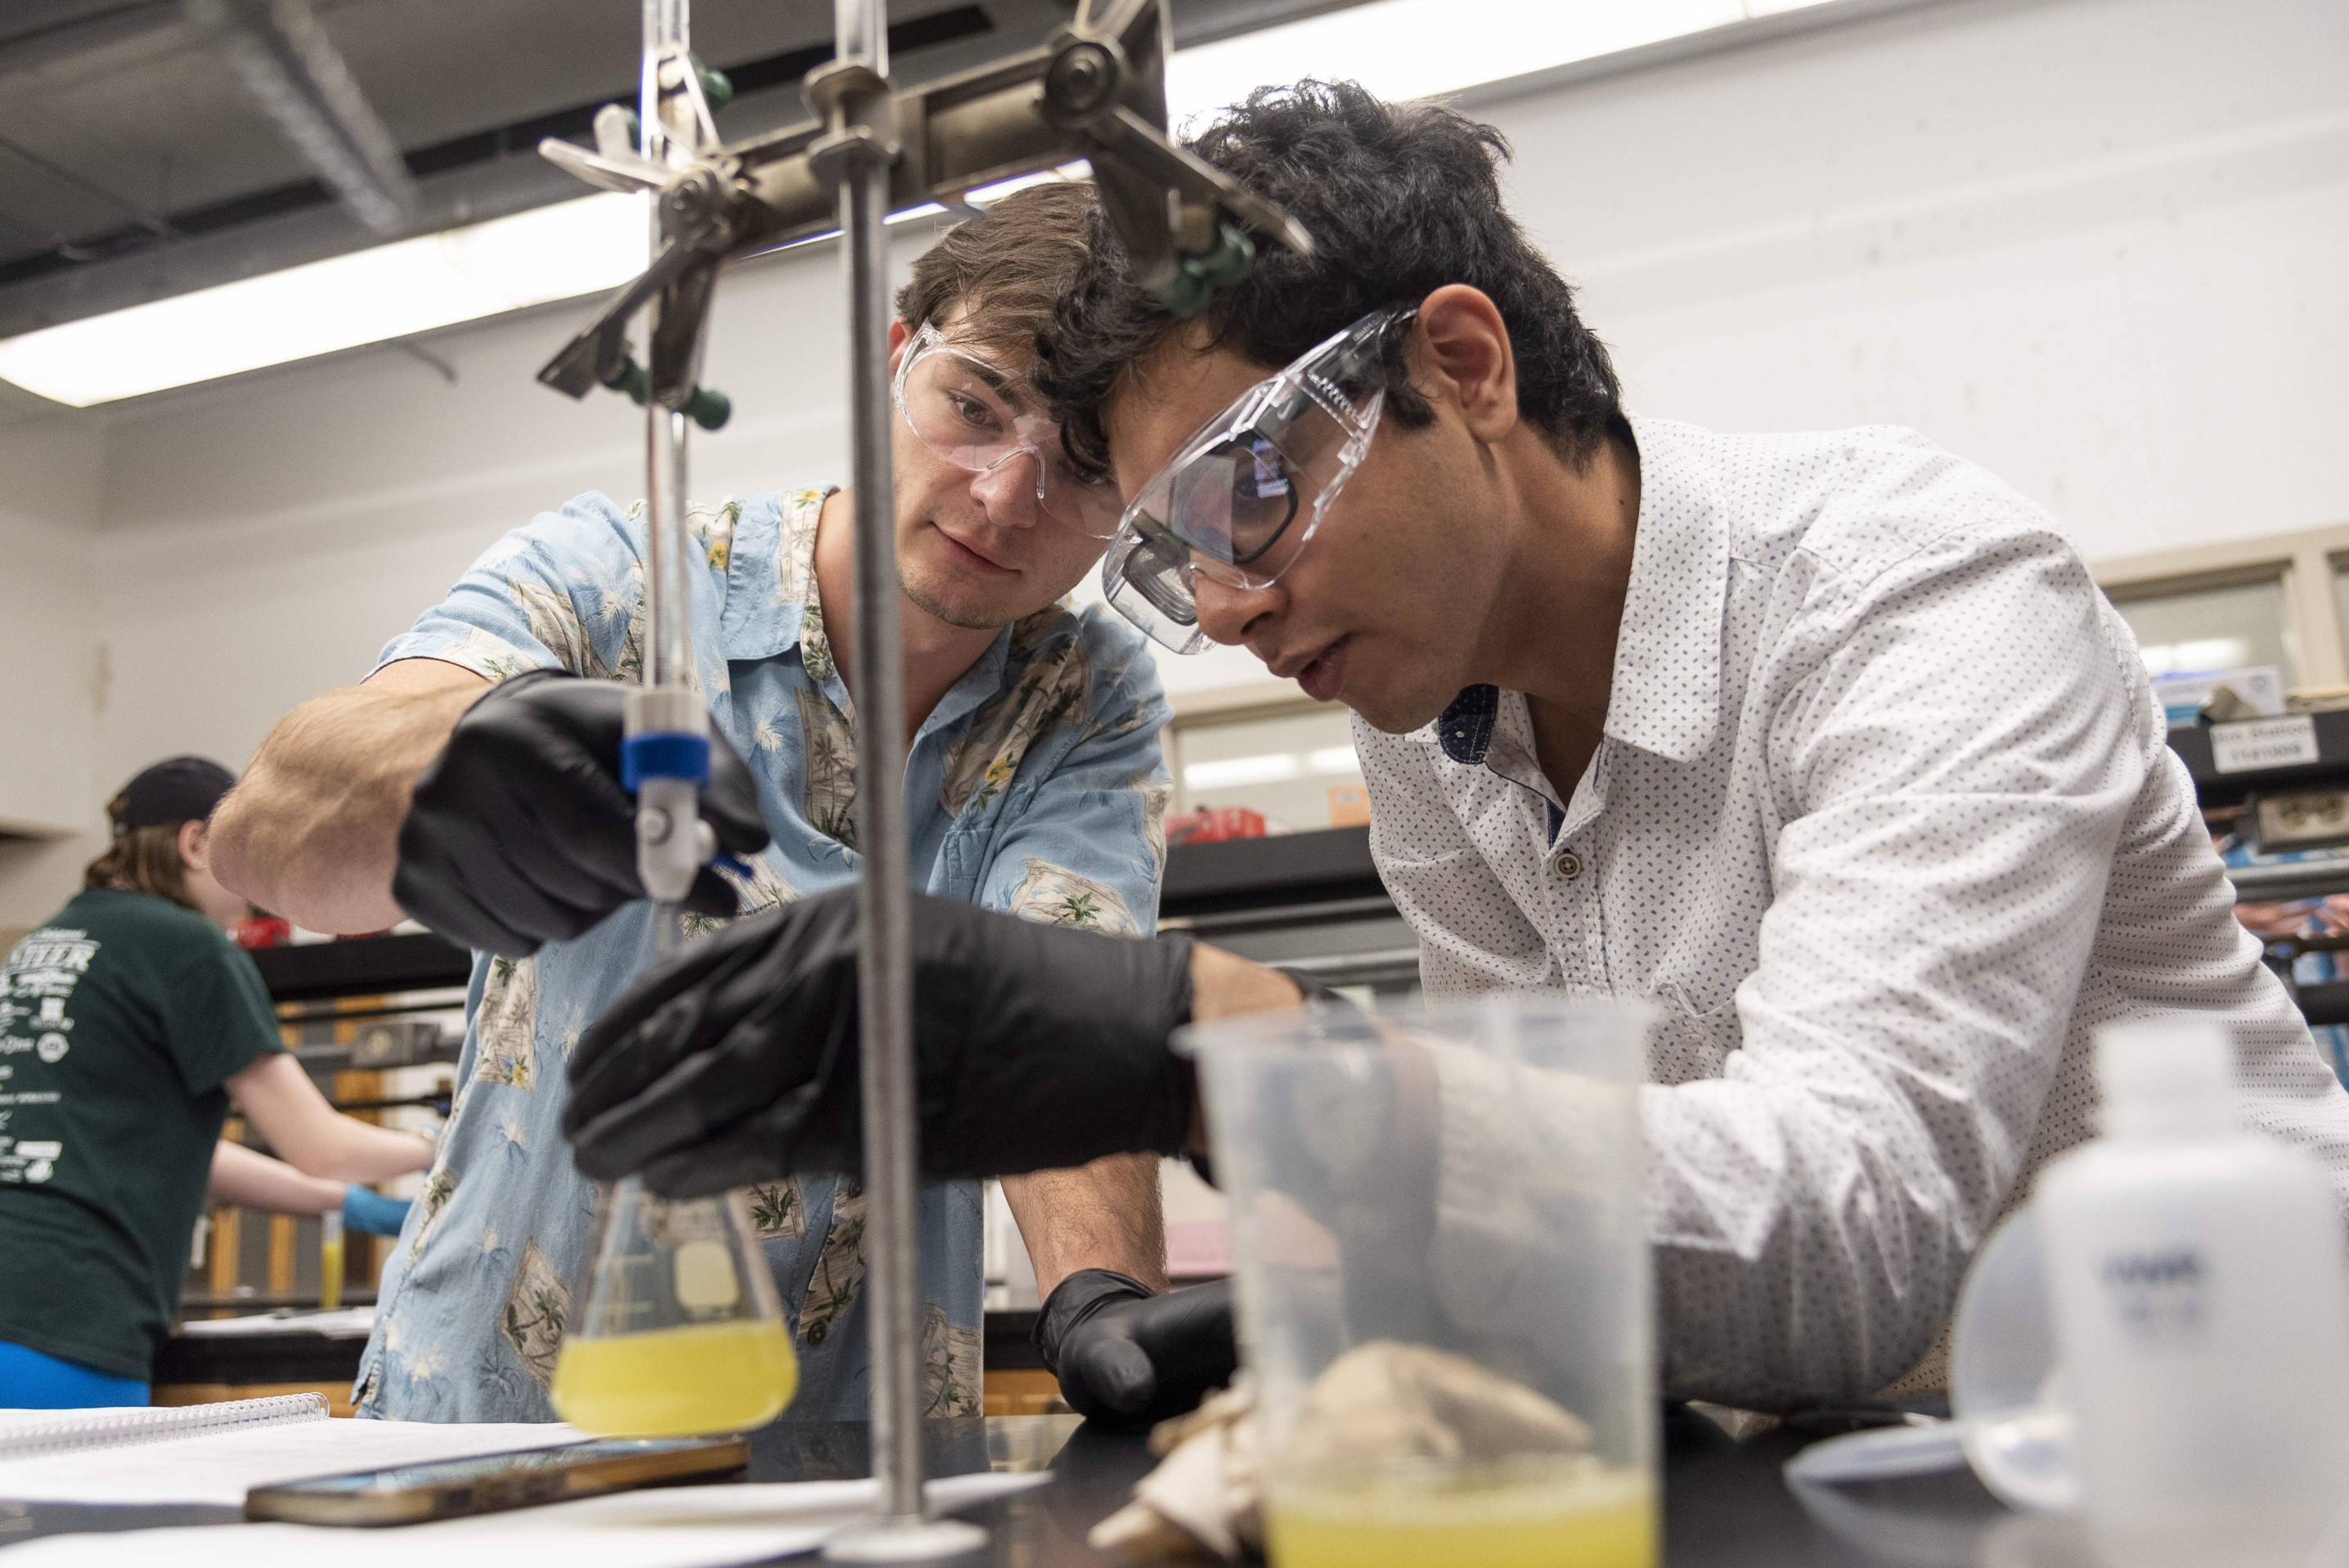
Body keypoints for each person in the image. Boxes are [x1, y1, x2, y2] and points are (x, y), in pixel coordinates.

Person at [556, 82, 2349, 1417]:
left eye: (1245, 493)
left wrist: (1229, 1058)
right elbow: (1583, 1187)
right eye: (1176, 562)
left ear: (1464, 362)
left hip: (2226, 1448)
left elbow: (1840, 1242)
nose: (1235, 608)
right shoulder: (1430, 724)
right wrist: (1368, 1295)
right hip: (1859, 1471)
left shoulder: (1915, 595)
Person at [209, 180, 1185, 1424]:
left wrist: (1099, 1297)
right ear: (897, 362)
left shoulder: (1082, 697)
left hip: (856, 1456)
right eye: (973, 408)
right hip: (492, 1439)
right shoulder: (625, 586)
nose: (1003, 496)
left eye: (1086, 465)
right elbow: (262, 837)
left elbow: (1067, 1012)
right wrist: (464, 750)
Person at [0, 758, 429, 1409]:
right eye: (246, 856)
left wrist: (349, 1204)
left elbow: (157, 1149)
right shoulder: (188, 945)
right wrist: (445, 1142)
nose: (254, 887)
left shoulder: (44, 945)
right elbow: (321, 1145)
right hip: (69, 1318)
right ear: (195, 843)